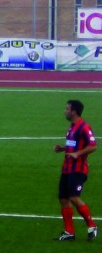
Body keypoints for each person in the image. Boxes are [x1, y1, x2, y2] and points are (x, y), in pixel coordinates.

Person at [53, 99, 98, 241]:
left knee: (73, 197)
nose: (65, 111)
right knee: (63, 198)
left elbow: (93, 145)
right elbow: (74, 145)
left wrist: (77, 154)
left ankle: (92, 225)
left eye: (67, 109)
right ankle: (69, 232)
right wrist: (63, 149)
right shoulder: (71, 128)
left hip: (78, 169)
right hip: (67, 169)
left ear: (74, 111)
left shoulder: (84, 127)